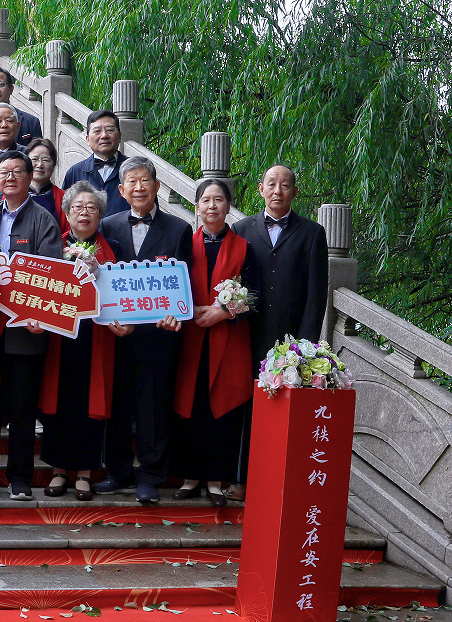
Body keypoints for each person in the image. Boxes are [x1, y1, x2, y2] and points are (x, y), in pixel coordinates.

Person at [95, 157, 194, 505]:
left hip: (158, 337)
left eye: (145, 181)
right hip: (117, 335)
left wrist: (176, 315)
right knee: (118, 403)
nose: (139, 188)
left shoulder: (179, 229)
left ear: (157, 186)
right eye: (132, 182)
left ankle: (151, 475)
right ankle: (118, 471)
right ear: (121, 191)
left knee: (154, 406)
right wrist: (110, 319)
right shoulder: (107, 225)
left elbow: (184, 285)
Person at [230, 164, 327, 495]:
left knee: (285, 410)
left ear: (294, 192)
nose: (277, 190)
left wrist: (304, 347)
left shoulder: (312, 233)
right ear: (261, 189)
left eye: (285, 185)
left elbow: (316, 295)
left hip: (289, 339)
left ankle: (279, 481)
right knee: (247, 408)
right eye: (271, 184)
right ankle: (242, 479)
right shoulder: (241, 228)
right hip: (248, 334)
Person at [171, 178, 261, 506]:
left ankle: (214, 481)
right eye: (206, 200)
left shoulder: (244, 248)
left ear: (228, 206)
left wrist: (223, 311)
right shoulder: (184, 243)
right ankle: (189, 477)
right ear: (196, 207)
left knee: (219, 407)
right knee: (191, 404)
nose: (212, 206)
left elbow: (254, 294)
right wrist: (185, 309)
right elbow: (170, 283)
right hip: (190, 337)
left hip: (227, 338)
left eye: (218, 200)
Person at [38, 181, 127, 502]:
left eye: (92, 207)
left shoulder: (114, 248)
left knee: (90, 402)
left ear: (100, 214)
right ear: (67, 212)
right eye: (78, 207)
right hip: (60, 335)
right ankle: (59, 470)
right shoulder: (54, 245)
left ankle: (86, 473)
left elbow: (125, 291)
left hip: (98, 334)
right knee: (59, 400)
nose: (84, 212)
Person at [0, 150, 62, 500]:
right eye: (4, 172)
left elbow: (53, 272)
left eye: (17, 171)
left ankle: (20, 477)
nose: (10, 177)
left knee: (22, 407)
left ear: (30, 178)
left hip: (25, 327)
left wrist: (41, 315)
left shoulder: (44, 219)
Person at [60, 110, 127, 221]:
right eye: (97, 131)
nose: (104, 135)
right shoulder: (75, 172)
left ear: (120, 136)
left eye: (110, 130)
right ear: (87, 139)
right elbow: (64, 214)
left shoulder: (134, 170)